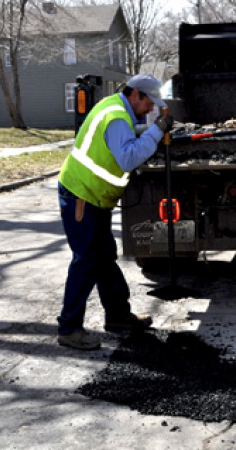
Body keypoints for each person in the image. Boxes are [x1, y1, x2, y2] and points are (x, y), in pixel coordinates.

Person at [57, 73, 174, 350]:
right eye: (149, 103)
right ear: (136, 95)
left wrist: (149, 131)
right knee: (86, 261)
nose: (151, 109)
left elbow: (124, 143)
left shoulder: (115, 107)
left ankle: (118, 318)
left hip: (93, 197)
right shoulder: (117, 117)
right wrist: (156, 131)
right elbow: (128, 157)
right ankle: (69, 328)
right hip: (82, 195)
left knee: (104, 257)